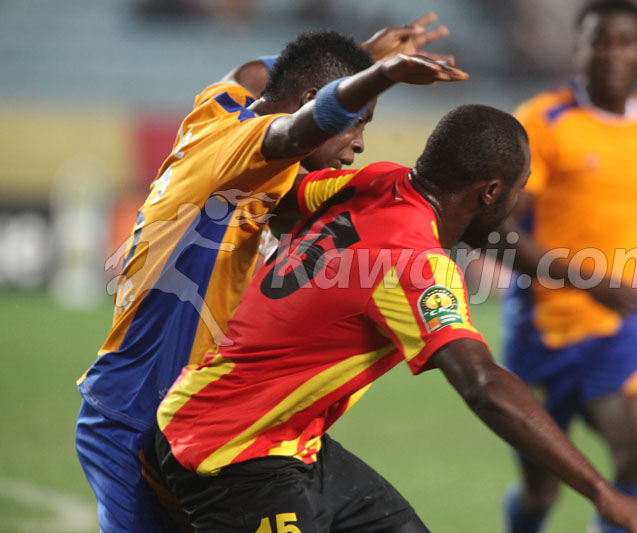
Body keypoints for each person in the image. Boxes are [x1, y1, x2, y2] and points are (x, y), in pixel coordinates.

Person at [154, 104, 637, 533]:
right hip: (230, 452)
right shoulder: (417, 265)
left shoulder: (378, 180)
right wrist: (603, 492)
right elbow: (484, 385)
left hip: (289, 440)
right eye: (517, 191)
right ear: (489, 193)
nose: (515, 205)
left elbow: (285, 200)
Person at [74, 27, 467, 532]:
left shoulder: (218, 110)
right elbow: (295, 131)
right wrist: (378, 75)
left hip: (188, 414)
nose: (357, 147)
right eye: (355, 124)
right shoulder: (247, 147)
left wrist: (358, 57)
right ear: (311, 103)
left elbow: (250, 74)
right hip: (139, 412)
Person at [499, 2, 637, 531]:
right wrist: (588, 281)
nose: (611, 54)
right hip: (543, 331)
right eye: (598, 41)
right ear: (578, 49)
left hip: (618, 328)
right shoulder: (541, 121)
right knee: (541, 491)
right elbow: (498, 232)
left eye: (624, 42)